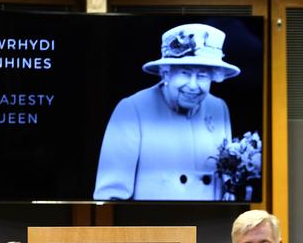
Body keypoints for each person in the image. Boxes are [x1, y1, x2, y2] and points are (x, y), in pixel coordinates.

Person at [93, 23, 241, 201]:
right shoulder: (132, 109)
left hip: (210, 224)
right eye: (185, 73)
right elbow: (110, 196)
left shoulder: (219, 108)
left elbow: (225, 186)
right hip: (154, 225)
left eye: (202, 75)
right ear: (166, 73)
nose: (193, 86)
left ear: (213, 77)